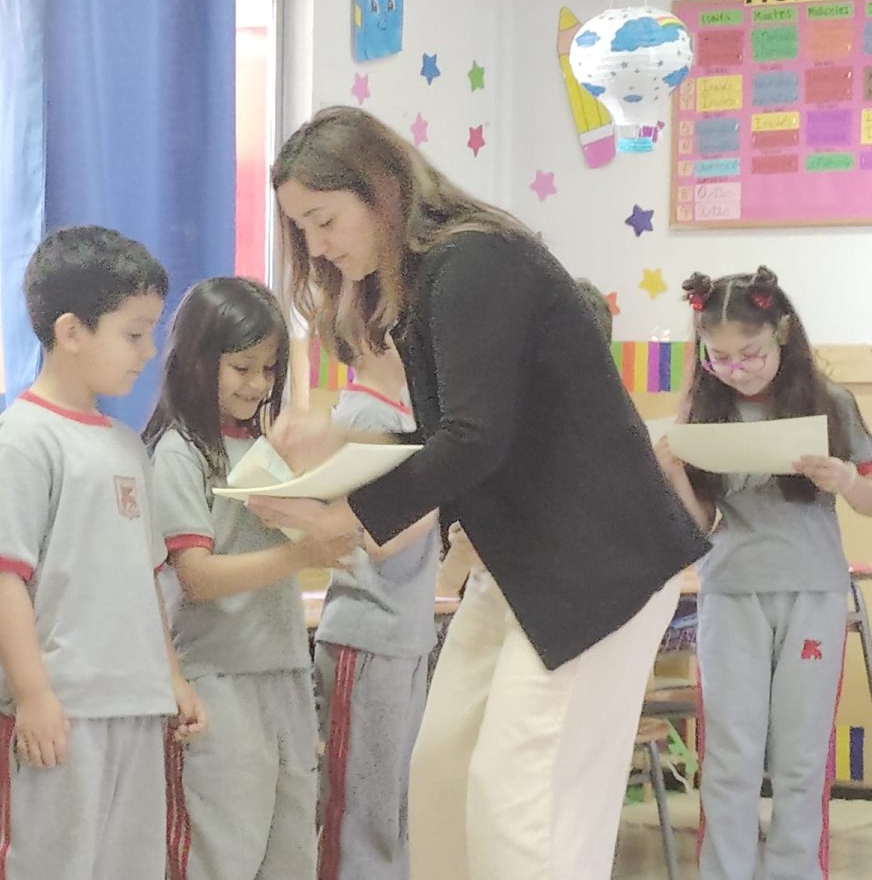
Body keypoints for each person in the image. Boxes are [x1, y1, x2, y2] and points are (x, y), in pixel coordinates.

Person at [252, 105, 709, 879]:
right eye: (302, 231)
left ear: (381, 190)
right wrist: (342, 459)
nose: (317, 246)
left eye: (323, 221)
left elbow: (475, 438)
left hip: (599, 569)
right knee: (442, 770)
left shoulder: (474, 263)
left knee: (517, 795)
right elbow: (461, 437)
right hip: (527, 564)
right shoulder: (436, 276)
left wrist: (349, 512)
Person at [0, 226, 206, 880]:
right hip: (54, 715)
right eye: (133, 333)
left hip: (131, 706)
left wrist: (170, 674)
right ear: (71, 330)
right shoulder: (23, 439)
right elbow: (1, 577)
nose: (148, 351)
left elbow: (145, 579)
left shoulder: (126, 446)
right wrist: (35, 694)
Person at [656, 267, 872, 880]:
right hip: (731, 590)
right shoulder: (702, 405)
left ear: (781, 334)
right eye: (717, 356)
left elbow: (867, 498)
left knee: (802, 756)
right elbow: (697, 523)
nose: (736, 368)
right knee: (730, 755)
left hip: (812, 591)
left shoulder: (828, 401)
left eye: (750, 354)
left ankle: (796, 870)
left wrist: (846, 480)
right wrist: (673, 470)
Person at [143, 277, 350, 880]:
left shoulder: (264, 445)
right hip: (216, 684)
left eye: (268, 369)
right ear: (197, 359)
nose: (257, 384)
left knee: (290, 855)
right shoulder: (180, 452)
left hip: (282, 674)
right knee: (220, 856)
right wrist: (301, 554)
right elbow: (196, 578)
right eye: (241, 367)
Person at [311, 337, 439, 880]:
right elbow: (376, 533)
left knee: (393, 812)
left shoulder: (404, 413)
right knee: (357, 816)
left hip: (404, 634)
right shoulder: (363, 413)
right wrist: (444, 478)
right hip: (365, 637)